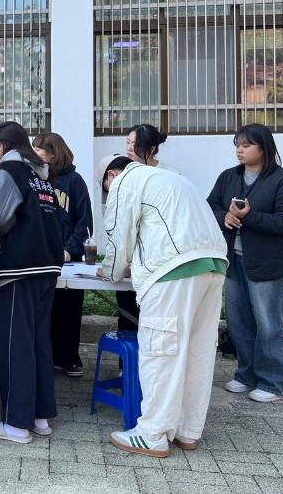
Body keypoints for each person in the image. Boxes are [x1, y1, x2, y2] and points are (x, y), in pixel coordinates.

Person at [96, 154, 228, 458]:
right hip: (213, 265)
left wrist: (111, 271)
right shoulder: (171, 178)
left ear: (111, 175)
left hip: (172, 271)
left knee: (161, 351)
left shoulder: (125, 182)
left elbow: (118, 235)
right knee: (197, 351)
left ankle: (152, 434)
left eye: (105, 187)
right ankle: (187, 431)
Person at [207, 123, 283, 403]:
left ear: (264, 148)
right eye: (237, 145)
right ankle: (247, 374)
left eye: (246, 145)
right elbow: (210, 205)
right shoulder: (229, 177)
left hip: (266, 264)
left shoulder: (282, 181)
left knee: (269, 323)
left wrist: (249, 217)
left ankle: (276, 382)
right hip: (233, 261)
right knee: (239, 322)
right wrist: (225, 217)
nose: (240, 150)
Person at [0, 121, 64, 444]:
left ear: (3, 145)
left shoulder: (11, 170)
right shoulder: (41, 174)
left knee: (14, 344)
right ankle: (40, 417)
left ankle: (17, 424)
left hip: (20, 267)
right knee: (37, 341)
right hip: (47, 265)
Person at [32, 132, 93, 378]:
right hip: (42, 257)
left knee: (69, 310)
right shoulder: (36, 180)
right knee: (44, 311)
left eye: (39, 149)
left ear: (53, 153)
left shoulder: (74, 181)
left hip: (69, 259)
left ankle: (69, 358)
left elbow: (84, 222)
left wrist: (69, 250)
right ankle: (46, 357)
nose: (35, 153)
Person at [117, 123, 167, 334]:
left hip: (155, 261)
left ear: (151, 148)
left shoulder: (164, 176)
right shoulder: (125, 174)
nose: (129, 148)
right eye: (128, 142)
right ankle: (127, 357)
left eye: (135, 144)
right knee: (126, 314)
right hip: (130, 258)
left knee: (152, 321)